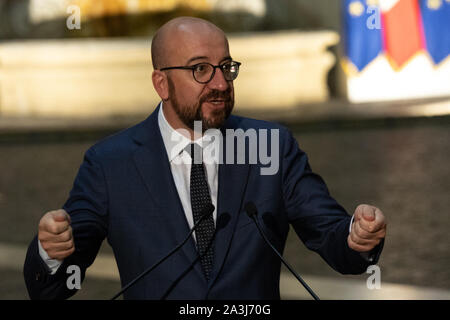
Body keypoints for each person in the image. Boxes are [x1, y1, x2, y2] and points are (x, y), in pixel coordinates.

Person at [23, 17, 386, 300]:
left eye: (226, 67)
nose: (220, 84)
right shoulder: (109, 163)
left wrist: (357, 235)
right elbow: (56, 285)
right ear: (161, 84)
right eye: (200, 69)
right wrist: (51, 251)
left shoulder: (271, 146)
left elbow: (334, 239)